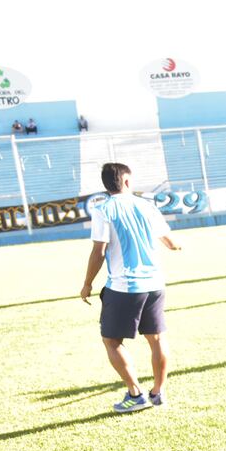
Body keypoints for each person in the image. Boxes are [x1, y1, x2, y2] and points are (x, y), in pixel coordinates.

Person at [79, 162, 181, 413]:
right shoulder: (146, 206)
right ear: (126, 181)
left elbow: (99, 251)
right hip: (155, 284)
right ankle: (157, 393)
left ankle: (135, 395)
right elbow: (170, 242)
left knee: (111, 341)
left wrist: (87, 284)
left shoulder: (103, 209)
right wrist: (177, 246)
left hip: (124, 286)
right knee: (156, 339)